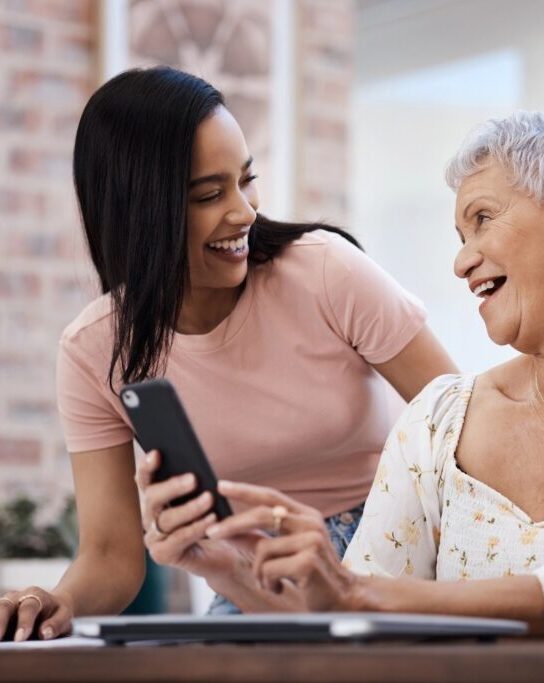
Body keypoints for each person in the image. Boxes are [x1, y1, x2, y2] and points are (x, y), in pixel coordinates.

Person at [137, 112, 544, 634]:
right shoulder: (438, 422)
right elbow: (353, 618)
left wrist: (356, 591)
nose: (461, 261)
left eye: (483, 220)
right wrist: (223, 567)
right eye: (460, 236)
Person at [0, 66, 456, 641]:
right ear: (140, 211)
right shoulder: (95, 351)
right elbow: (113, 554)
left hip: (396, 546)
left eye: (246, 180)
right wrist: (54, 601)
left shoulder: (325, 271)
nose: (244, 212)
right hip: (253, 575)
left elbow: (465, 426)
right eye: (209, 195)